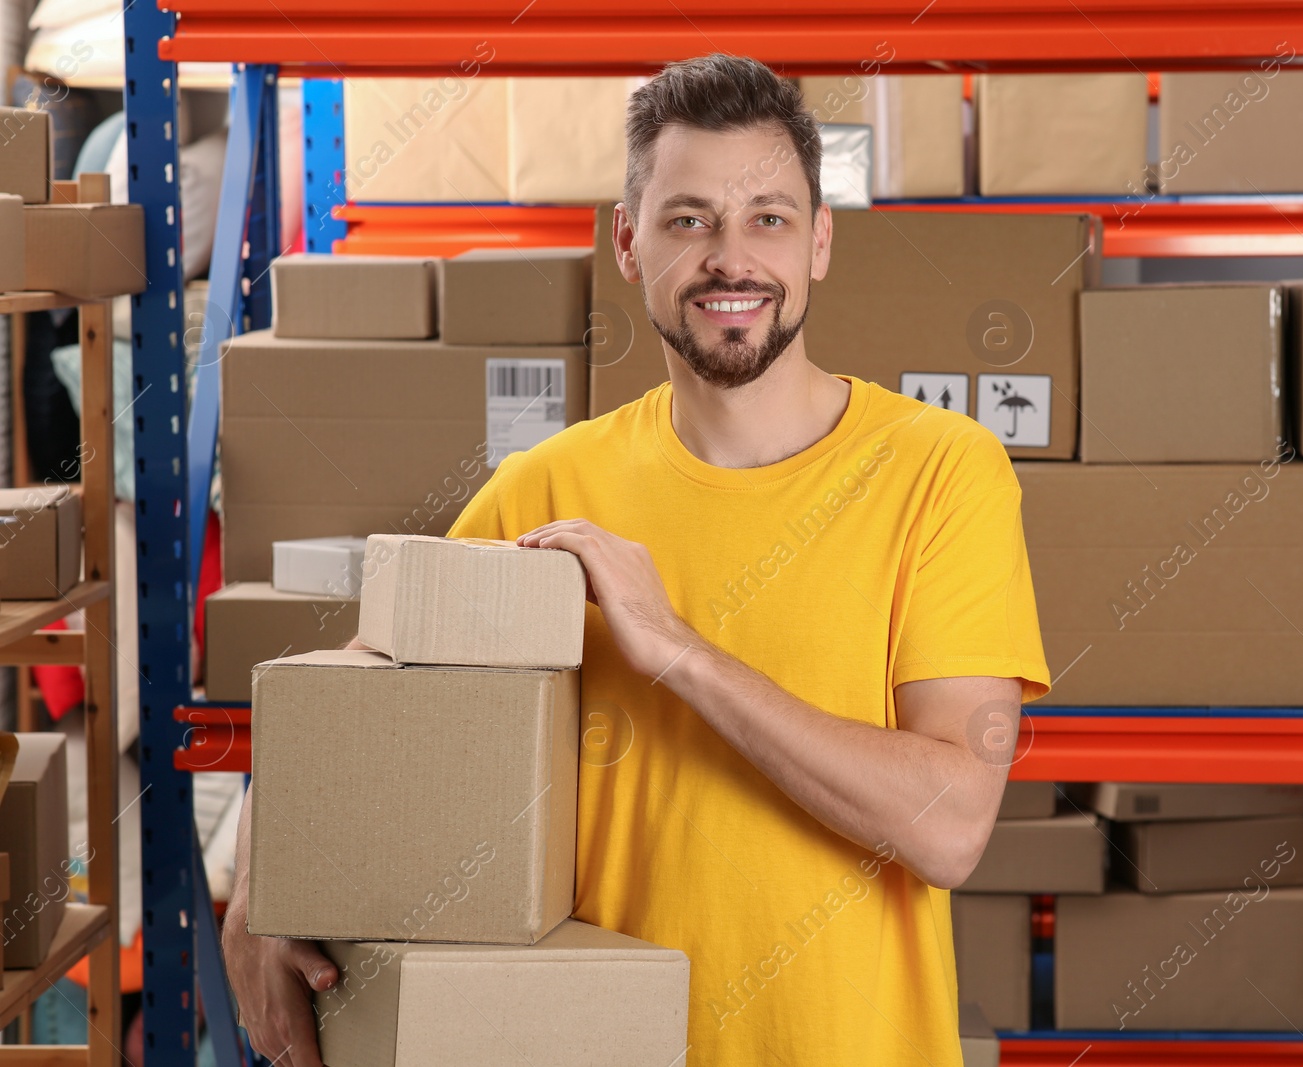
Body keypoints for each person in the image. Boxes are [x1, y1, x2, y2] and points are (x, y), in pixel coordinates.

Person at [222, 53, 1051, 1067]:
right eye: (688, 218)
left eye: (769, 219)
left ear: (820, 242)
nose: (730, 258)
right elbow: (353, 695)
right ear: (628, 241)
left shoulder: (940, 473)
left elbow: (950, 823)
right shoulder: (550, 488)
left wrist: (679, 652)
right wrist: (264, 878)